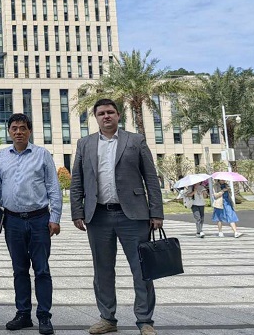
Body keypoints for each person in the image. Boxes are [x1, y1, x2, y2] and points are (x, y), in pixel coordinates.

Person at [70, 98, 164, 335]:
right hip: (98, 216)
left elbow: (150, 178)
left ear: (118, 115)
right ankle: (107, 318)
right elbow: (77, 180)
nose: (106, 116)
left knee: (141, 270)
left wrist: (156, 212)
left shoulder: (135, 140)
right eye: (101, 113)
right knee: (102, 270)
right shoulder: (85, 144)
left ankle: (145, 321)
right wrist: (77, 211)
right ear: (95, 117)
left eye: (110, 112)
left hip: (133, 216)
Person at [0, 113, 61, 335]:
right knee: (19, 270)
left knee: (42, 270)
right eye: (14, 128)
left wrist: (55, 218)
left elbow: (53, 187)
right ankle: (23, 314)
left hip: (39, 220)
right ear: (9, 131)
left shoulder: (42, 154)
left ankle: (44, 316)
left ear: (29, 131)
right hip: (12, 221)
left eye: (23, 128)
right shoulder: (1, 156)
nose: (18, 132)